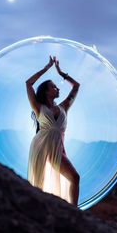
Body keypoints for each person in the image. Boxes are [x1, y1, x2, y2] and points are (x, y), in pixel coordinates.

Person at [26, 55, 80, 206]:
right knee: (38, 184)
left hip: (58, 148)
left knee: (75, 178)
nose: (58, 88)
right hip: (40, 146)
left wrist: (61, 72)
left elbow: (76, 86)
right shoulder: (38, 108)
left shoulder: (64, 107)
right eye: (54, 86)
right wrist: (46, 68)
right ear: (46, 91)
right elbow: (29, 83)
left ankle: (74, 211)